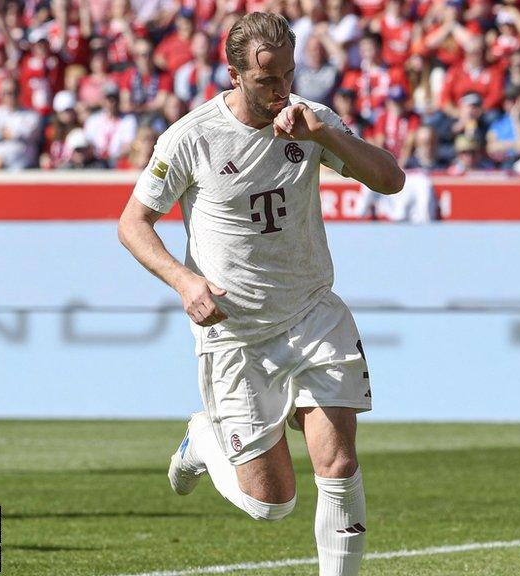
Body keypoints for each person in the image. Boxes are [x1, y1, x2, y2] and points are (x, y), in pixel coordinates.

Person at [116, 13, 404, 576]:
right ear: (235, 75)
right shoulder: (193, 137)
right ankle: (202, 437)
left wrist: (325, 134)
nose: (281, 92)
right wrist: (184, 280)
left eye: (289, 76)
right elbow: (133, 223)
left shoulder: (311, 121)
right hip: (236, 332)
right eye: (267, 80)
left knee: (339, 464)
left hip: (312, 314)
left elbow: (390, 180)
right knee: (271, 504)